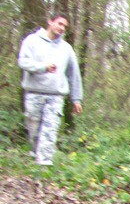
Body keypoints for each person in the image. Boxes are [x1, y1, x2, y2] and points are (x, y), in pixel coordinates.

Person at [18, 13, 83, 166]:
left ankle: (44, 165)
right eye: (59, 24)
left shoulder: (66, 49)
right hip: (33, 93)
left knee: (50, 130)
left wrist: (76, 98)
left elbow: (73, 74)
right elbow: (23, 62)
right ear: (50, 22)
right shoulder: (32, 41)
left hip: (55, 96)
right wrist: (43, 67)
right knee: (33, 131)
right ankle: (35, 157)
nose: (62, 28)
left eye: (65, 26)